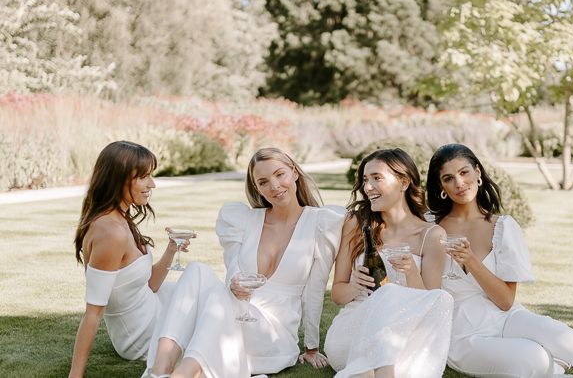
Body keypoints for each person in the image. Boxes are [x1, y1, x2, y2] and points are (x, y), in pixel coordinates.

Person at [426, 143, 573, 378]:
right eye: (448, 178)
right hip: (463, 333)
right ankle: (553, 363)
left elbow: (506, 301)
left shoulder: (503, 227)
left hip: (506, 316)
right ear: (441, 186)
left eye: (464, 172)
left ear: (478, 172)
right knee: (532, 358)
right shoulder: (430, 228)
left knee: (558, 333)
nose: (459, 183)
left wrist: (471, 261)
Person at [146, 147, 344, 378]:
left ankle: (182, 374)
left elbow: (315, 290)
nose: (274, 186)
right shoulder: (244, 220)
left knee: (222, 299)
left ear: (295, 173)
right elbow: (233, 272)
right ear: (257, 188)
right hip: (232, 315)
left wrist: (311, 347)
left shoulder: (320, 223)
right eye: (263, 182)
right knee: (197, 270)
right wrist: (233, 283)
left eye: (280, 174)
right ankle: (160, 370)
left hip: (272, 332)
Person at [324, 148, 454, 378]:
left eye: (377, 178)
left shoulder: (432, 235)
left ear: (403, 182)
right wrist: (355, 285)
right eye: (365, 180)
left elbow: (431, 305)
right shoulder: (357, 224)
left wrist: (411, 272)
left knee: (443, 299)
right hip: (353, 333)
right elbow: (337, 294)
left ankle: (373, 371)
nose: (368, 187)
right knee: (387, 295)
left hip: (402, 337)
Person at [69, 140, 192, 378]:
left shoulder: (120, 218)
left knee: (203, 291)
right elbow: (93, 312)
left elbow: (149, 286)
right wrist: (76, 374)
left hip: (151, 307)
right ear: (118, 179)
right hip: (140, 335)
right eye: (143, 177)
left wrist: (170, 250)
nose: (152, 184)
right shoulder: (110, 232)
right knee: (201, 284)